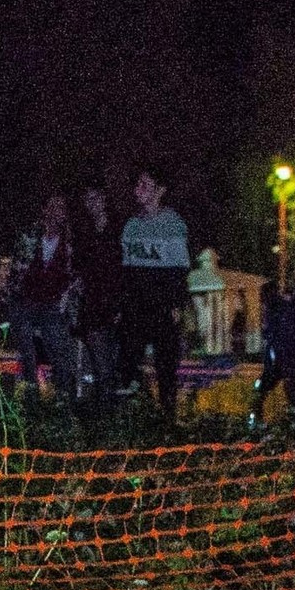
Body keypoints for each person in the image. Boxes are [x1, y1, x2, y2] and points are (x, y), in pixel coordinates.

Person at [119, 166, 190, 417]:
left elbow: (179, 271)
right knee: (127, 361)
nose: (139, 190)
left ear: (160, 191)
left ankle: (166, 418)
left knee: (165, 367)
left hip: (161, 306)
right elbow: (127, 272)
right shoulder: (131, 226)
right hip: (136, 307)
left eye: (146, 185)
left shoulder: (173, 225)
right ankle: (133, 413)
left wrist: (176, 306)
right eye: (138, 185)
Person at [3, 191, 82, 399]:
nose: (59, 212)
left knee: (57, 344)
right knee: (26, 346)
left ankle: (63, 395)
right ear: (45, 210)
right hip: (25, 299)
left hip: (51, 301)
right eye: (54, 207)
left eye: (62, 208)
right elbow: (16, 270)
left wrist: (66, 298)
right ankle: (31, 392)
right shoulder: (30, 235)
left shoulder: (69, 240)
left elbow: (73, 273)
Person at [75, 182, 124, 405]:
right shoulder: (86, 234)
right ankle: (103, 405)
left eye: (95, 199)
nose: (92, 204)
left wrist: (120, 302)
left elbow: (121, 268)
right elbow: (82, 268)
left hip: (115, 302)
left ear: (104, 199)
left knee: (114, 360)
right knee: (98, 360)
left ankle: (111, 404)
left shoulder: (117, 230)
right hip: (93, 304)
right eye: (88, 200)